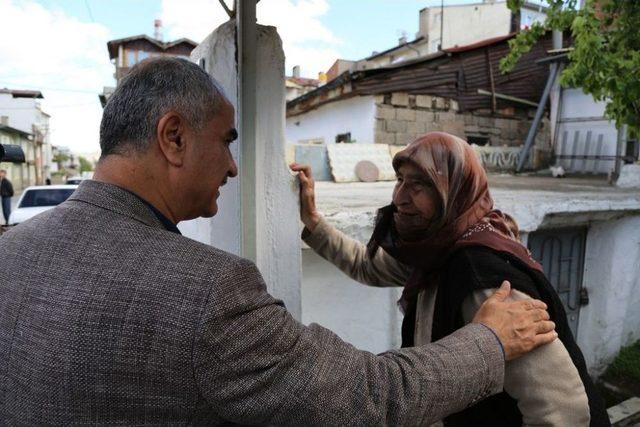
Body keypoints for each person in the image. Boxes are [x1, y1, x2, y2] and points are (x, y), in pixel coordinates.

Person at [0, 58, 556, 425]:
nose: (234, 167)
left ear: (457, 189)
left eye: (420, 185)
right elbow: (367, 391)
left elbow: (561, 401)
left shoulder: (11, 250)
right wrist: (489, 341)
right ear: (173, 137)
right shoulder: (210, 291)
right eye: (225, 141)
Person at [291, 132, 610, 426]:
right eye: (400, 180)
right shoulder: (438, 250)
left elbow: (564, 410)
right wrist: (313, 221)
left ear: (455, 190)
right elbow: (367, 265)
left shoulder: (481, 277)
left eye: (419, 185)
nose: (400, 197)